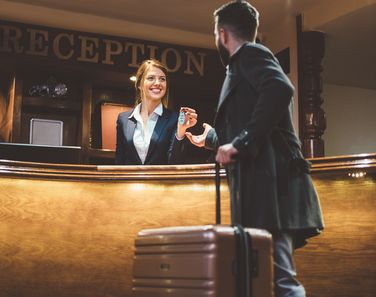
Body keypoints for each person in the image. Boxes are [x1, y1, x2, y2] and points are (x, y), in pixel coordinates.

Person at [185, 1, 324, 297]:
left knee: (282, 281)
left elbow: (280, 89)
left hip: (272, 191)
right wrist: (213, 140)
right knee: (263, 280)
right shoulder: (243, 63)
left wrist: (239, 143)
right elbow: (251, 122)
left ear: (222, 34)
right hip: (262, 191)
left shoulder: (251, 53)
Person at [116, 59, 197, 165]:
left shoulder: (174, 119)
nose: (158, 83)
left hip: (160, 181)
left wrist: (181, 130)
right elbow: (119, 160)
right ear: (140, 84)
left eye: (162, 79)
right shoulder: (123, 119)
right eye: (151, 78)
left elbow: (175, 163)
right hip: (130, 181)